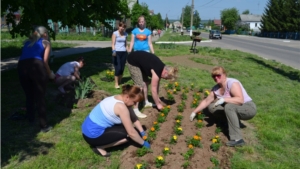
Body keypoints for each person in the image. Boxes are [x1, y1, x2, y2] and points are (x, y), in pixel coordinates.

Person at [189, 66, 256, 147]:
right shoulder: (216, 89)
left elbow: (240, 100)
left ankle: (238, 139)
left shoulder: (232, 83)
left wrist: (224, 99)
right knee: (211, 107)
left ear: (224, 74)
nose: (216, 78)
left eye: (218, 75)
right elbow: (206, 101)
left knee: (228, 107)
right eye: (214, 76)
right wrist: (194, 112)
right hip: (235, 108)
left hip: (248, 108)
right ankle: (234, 123)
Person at [81, 85, 150, 157]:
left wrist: (142, 132)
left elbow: (134, 118)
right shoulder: (121, 107)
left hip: (86, 130)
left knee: (126, 127)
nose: (135, 105)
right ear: (127, 97)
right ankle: (100, 147)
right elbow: (131, 133)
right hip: (93, 136)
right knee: (128, 136)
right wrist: (144, 144)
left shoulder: (118, 98)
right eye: (134, 102)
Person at [17, 26, 55, 132]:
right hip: (37, 68)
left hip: (22, 67)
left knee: (29, 95)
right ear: (45, 34)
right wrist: (50, 74)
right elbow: (45, 62)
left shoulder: (26, 43)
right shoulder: (46, 43)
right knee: (40, 96)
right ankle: (44, 125)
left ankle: (30, 119)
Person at [127, 51, 178, 118]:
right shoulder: (157, 70)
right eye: (167, 78)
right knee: (139, 86)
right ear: (166, 72)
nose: (166, 79)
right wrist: (158, 104)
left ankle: (146, 102)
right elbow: (153, 90)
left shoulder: (162, 70)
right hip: (133, 60)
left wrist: (157, 97)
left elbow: (157, 86)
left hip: (140, 61)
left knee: (145, 82)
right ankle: (135, 110)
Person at [111, 22, 128, 89]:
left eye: (123, 27)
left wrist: (129, 51)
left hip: (124, 53)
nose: (122, 28)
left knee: (122, 68)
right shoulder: (115, 33)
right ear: (119, 26)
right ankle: (116, 83)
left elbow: (126, 44)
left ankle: (120, 81)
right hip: (116, 53)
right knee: (118, 68)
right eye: (121, 26)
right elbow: (112, 44)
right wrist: (113, 51)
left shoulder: (126, 34)